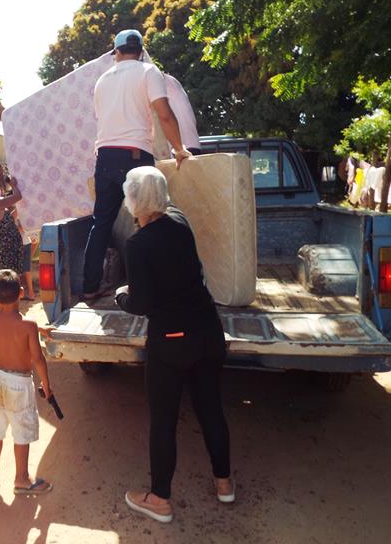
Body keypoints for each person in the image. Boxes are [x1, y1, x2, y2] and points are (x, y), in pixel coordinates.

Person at [114, 166, 233, 524]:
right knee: (210, 408)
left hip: (171, 341)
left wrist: (122, 296)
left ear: (133, 199)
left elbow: (143, 304)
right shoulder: (181, 223)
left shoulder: (137, 245)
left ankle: (160, 499)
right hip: (208, 331)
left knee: (164, 421)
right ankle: (224, 483)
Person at [81, 29, 191, 302]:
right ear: (141, 50)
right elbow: (164, 114)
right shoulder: (147, 71)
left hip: (105, 157)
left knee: (101, 224)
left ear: (115, 52)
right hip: (135, 157)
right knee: (151, 219)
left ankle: (90, 286)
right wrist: (179, 149)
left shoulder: (102, 80)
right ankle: (154, 286)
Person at [0, 269, 53, 495]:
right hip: (19, 385)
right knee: (21, 432)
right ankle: (21, 478)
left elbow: (9, 325)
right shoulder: (29, 325)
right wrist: (46, 386)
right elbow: (38, 359)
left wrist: (36, 329)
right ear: (22, 292)